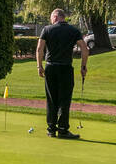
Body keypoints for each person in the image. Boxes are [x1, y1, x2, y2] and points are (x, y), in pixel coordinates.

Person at [35, 8, 88, 139]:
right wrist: (83, 66)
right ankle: (63, 129)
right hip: (65, 68)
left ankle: (51, 129)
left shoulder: (47, 29)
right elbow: (84, 49)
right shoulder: (73, 30)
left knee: (51, 99)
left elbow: (39, 49)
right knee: (65, 99)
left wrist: (39, 66)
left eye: (51, 18)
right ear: (64, 17)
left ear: (55, 17)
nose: (51, 20)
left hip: (51, 67)